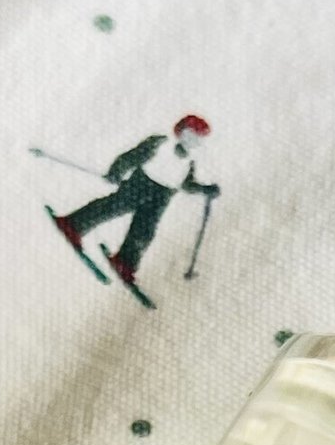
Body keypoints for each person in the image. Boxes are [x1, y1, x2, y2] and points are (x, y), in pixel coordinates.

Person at [49, 116, 216, 304]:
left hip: (163, 196)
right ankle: (73, 224)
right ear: (181, 131)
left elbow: (186, 184)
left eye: (198, 139)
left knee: (145, 231)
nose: (192, 141)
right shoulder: (161, 143)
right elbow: (134, 155)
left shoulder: (190, 161)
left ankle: (125, 262)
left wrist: (204, 189)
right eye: (190, 135)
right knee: (113, 206)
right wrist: (117, 170)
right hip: (142, 182)